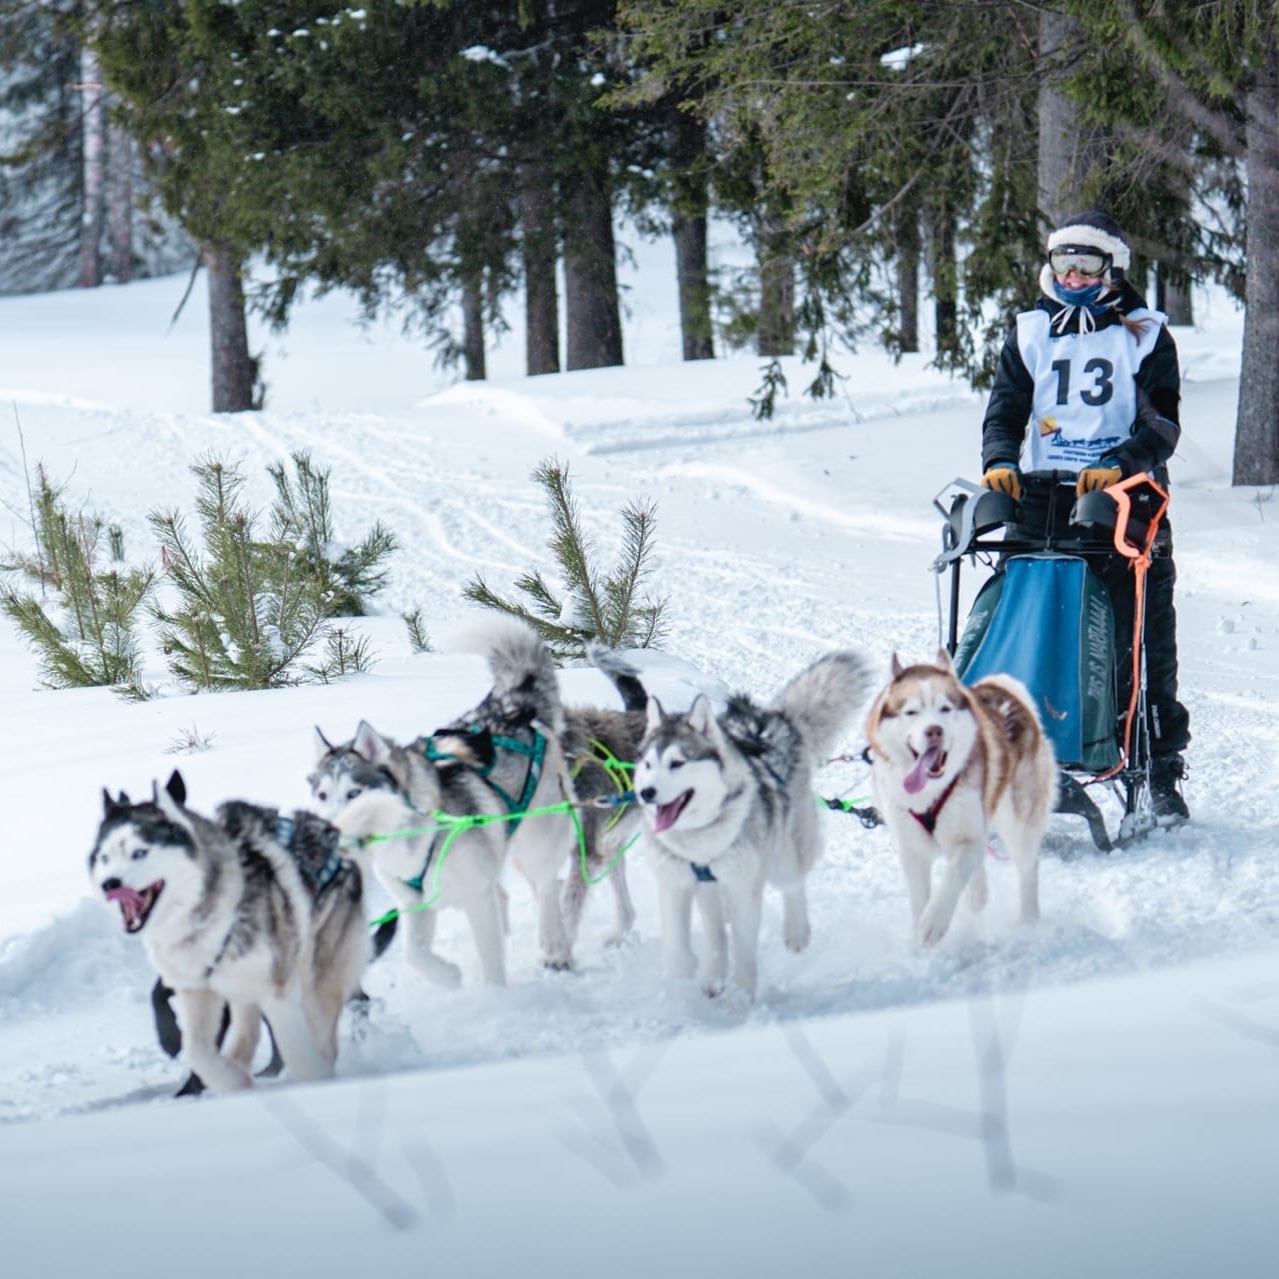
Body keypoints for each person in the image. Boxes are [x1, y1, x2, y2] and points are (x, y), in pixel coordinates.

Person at [979, 210, 1190, 824]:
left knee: (1138, 635)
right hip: (1043, 495)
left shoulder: (1147, 335)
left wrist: (1122, 461)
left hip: (1123, 500)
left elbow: (1164, 424)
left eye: (1087, 264)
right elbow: (1005, 412)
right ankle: (1014, 752)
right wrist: (998, 461)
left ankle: (1156, 771)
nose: (1072, 276)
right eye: (1062, 263)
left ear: (1112, 269)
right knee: (1023, 620)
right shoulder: (1028, 331)